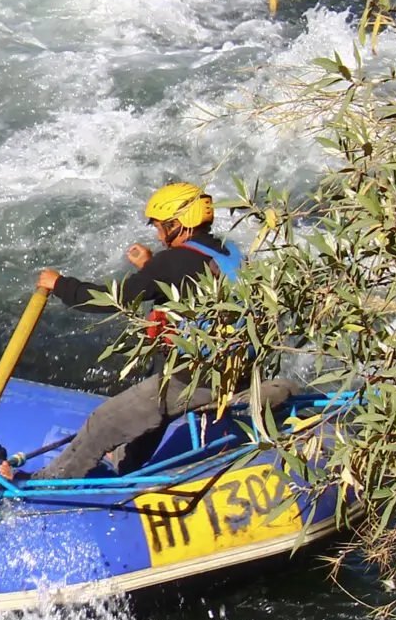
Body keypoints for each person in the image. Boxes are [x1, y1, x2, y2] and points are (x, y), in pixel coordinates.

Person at [36, 182, 292, 478]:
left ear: (178, 224)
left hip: (194, 379)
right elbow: (189, 281)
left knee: (102, 422)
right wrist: (151, 266)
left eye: (160, 226)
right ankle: (126, 466)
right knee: (151, 400)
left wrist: (61, 285)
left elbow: (112, 300)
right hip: (237, 369)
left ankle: (47, 485)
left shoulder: (171, 262)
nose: (158, 234)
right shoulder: (226, 250)